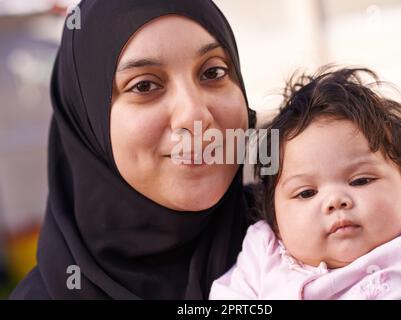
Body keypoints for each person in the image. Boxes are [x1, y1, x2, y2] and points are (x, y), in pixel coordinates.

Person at [10, 0, 257, 299]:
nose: (195, 114)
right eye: (144, 86)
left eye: (213, 72)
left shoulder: (309, 242)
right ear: (88, 124)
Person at [209, 67, 401, 299]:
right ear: (276, 221)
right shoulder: (264, 250)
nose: (335, 201)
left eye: (360, 180)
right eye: (306, 193)